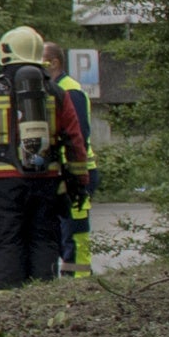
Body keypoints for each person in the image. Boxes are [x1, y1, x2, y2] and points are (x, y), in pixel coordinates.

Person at [0, 27, 88, 291]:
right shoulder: (55, 92)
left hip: (4, 182)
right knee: (44, 239)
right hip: (46, 181)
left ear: (5, 51)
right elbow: (74, 140)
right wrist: (79, 181)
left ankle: (10, 297)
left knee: (7, 239)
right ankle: (42, 294)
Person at [55, 60, 99, 275]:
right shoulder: (54, 89)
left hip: (76, 172)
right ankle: (73, 274)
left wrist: (75, 170)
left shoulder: (69, 90)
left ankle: (80, 277)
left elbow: (78, 134)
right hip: (64, 171)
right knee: (65, 231)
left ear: (54, 62)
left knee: (75, 231)